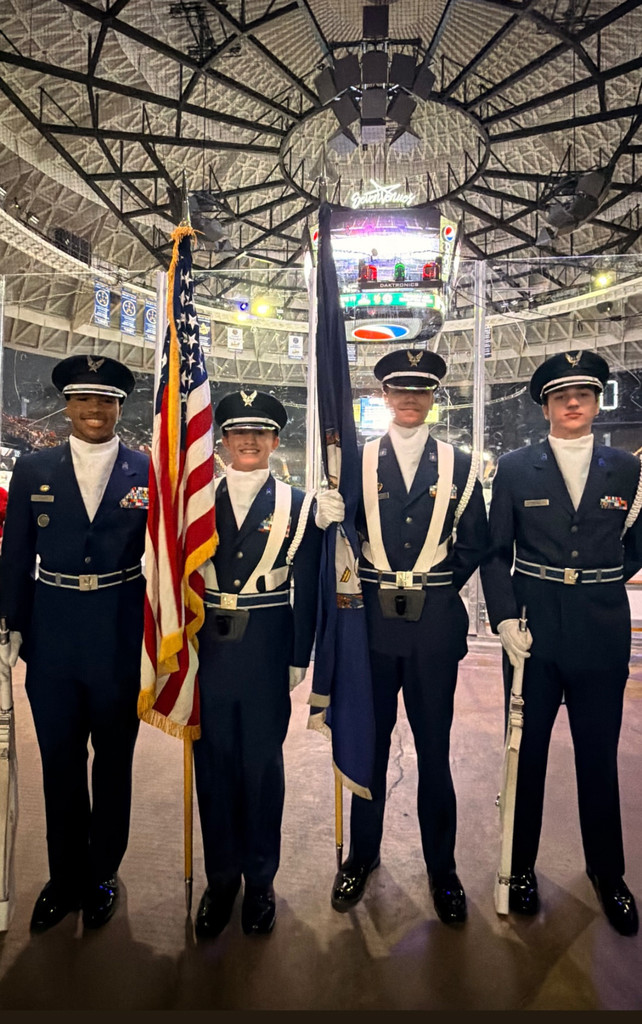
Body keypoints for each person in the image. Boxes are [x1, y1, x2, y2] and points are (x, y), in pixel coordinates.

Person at [480, 350, 642, 936]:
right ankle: (519, 868)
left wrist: (593, 583)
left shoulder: (627, 469)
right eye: (560, 396)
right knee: (526, 755)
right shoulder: (517, 469)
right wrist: (503, 619)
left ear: (597, 402)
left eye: (584, 394)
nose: (573, 404)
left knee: (599, 756)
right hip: (533, 628)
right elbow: (497, 552)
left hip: (600, 629)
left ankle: (608, 871)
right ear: (545, 405)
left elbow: (638, 544)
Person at [328, 348, 489, 924]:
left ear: (432, 397)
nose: (411, 400)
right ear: (385, 397)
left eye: (421, 391)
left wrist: (435, 588)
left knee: (435, 751)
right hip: (370, 623)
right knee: (368, 746)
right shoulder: (358, 460)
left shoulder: (461, 464)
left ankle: (441, 868)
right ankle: (362, 857)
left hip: (432, 627)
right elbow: (344, 534)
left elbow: (474, 541)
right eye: (401, 390)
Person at [0, 354, 149, 932]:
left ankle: (102, 873)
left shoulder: (147, 469)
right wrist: (9, 623)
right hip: (54, 634)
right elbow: (15, 555)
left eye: (106, 400)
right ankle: (64, 878)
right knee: (60, 763)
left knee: (114, 762)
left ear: (119, 407)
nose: (95, 409)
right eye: (84, 399)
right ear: (67, 405)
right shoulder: (34, 467)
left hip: (119, 630)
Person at [193, 389, 332, 939]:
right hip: (208, 649)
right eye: (236, 432)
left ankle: (260, 880)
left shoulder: (300, 507)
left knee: (262, 770)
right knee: (213, 769)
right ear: (221, 440)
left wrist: (301, 656)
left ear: (275, 441)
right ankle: (220, 879)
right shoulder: (197, 503)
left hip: (266, 647)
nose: (247, 441)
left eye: (260, 433)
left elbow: (310, 588)